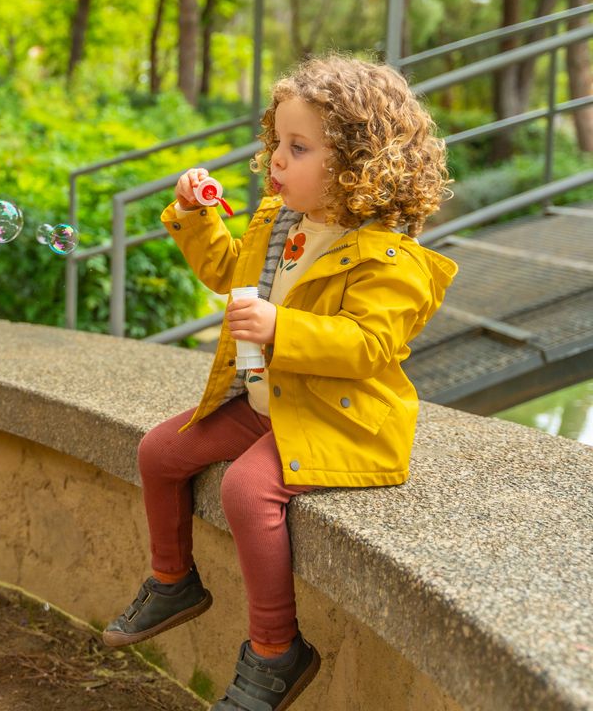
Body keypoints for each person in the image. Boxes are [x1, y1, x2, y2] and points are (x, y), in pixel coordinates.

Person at [101, 56, 457, 711]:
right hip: (267, 400)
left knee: (245, 488)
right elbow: (227, 273)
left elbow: (370, 346)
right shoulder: (279, 221)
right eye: (277, 143)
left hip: (336, 417)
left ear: (358, 164)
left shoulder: (390, 259)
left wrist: (279, 327)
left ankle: (275, 651)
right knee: (159, 451)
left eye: (299, 148)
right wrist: (196, 216)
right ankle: (173, 581)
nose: (276, 161)